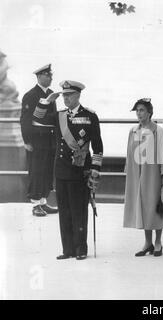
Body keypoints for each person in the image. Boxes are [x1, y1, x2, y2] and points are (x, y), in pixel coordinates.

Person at [32, 80, 103, 260]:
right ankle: (68, 249)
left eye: (69, 95)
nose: (65, 98)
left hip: (80, 171)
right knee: (64, 211)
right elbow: (37, 117)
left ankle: (80, 249)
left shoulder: (90, 116)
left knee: (79, 210)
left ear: (78, 95)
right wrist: (46, 100)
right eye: (64, 95)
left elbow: (98, 146)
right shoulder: (59, 115)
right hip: (61, 170)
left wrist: (95, 168)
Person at [123, 98, 163, 257]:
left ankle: (158, 242)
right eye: (137, 110)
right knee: (142, 207)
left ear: (150, 112)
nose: (138, 113)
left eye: (142, 110)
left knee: (154, 207)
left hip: (153, 174)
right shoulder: (133, 131)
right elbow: (130, 155)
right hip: (137, 174)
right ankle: (147, 242)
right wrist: (129, 172)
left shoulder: (158, 131)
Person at [20, 64, 58, 216]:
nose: (50, 78)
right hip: (36, 140)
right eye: (47, 75)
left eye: (51, 75)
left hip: (49, 139)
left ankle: (43, 201)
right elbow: (25, 120)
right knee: (36, 171)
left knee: (47, 171)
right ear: (39, 76)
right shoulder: (30, 95)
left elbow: (54, 117)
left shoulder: (51, 93)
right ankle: (35, 204)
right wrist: (27, 140)